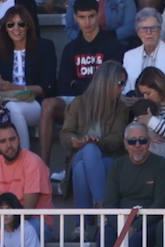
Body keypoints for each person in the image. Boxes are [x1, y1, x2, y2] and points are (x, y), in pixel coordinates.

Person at [40, 0, 123, 168]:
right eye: (82, 17)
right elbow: (63, 85)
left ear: (98, 14)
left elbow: (113, 82)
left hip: (104, 103)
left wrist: (78, 85)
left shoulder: (112, 45)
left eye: (91, 16)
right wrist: (85, 90)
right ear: (75, 17)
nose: (87, 22)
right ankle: (43, 167)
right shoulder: (71, 48)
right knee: (48, 104)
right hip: (75, 103)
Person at [61, 61, 130, 209]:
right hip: (79, 153)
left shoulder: (121, 108)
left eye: (124, 84)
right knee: (88, 150)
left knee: (81, 168)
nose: (123, 88)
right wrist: (77, 141)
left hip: (107, 157)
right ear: (106, 82)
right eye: (120, 83)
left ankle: (81, 225)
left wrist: (96, 142)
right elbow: (65, 134)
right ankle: (102, 206)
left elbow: (117, 138)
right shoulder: (79, 103)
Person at [0, 4, 57, 148]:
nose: (16, 29)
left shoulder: (44, 47)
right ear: (5, 28)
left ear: (28, 26)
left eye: (21, 24)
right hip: (7, 100)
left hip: (37, 103)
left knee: (13, 108)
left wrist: (16, 87)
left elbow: (47, 88)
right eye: (11, 25)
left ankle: (25, 155)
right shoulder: (0, 50)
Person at [103, 122, 165, 247]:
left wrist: (135, 226)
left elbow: (160, 203)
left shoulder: (163, 165)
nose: (137, 145)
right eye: (132, 141)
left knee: (136, 241)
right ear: (125, 143)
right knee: (103, 237)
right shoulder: (117, 166)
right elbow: (110, 203)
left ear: (149, 142)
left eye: (142, 140)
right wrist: (121, 227)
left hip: (150, 221)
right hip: (121, 220)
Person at [0, 121, 53, 207]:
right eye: (2, 141)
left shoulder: (33, 162)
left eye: (12, 139)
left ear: (19, 139)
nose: (9, 145)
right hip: (4, 218)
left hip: (34, 219)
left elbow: (28, 210)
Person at [126, 8, 165, 91]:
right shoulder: (129, 56)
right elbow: (126, 90)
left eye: (153, 28)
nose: (148, 32)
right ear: (138, 32)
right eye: (144, 29)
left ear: (160, 30)